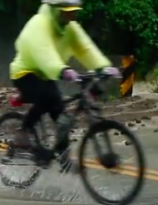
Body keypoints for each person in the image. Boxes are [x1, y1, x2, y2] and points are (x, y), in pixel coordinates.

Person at [10, 0, 121, 172]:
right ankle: (23, 132)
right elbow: (44, 52)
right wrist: (62, 70)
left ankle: (63, 160)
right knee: (47, 98)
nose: (71, 16)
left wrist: (102, 67)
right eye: (66, 12)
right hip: (25, 73)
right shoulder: (39, 24)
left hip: (47, 74)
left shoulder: (70, 27)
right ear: (55, 11)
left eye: (73, 12)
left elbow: (85, 48)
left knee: (62, 118)